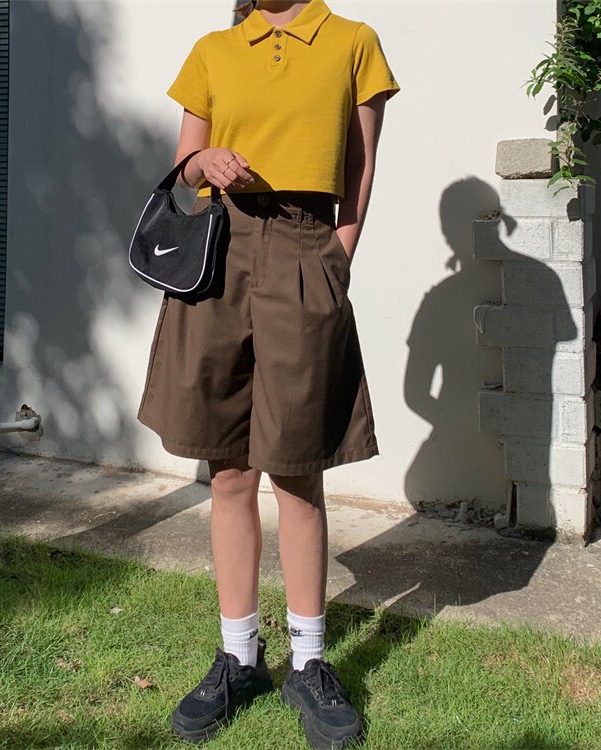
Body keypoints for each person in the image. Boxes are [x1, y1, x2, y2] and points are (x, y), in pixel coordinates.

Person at [136, 0, 400, 747]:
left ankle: (309, 664)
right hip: (220, 250)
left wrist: (337, 256)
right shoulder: (214, 49)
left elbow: (360, 166)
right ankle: (240, 656)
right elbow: (186, 165)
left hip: (306, 245)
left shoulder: (352, 43)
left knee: (297, 469)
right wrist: (204, 163)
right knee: (227, 471)